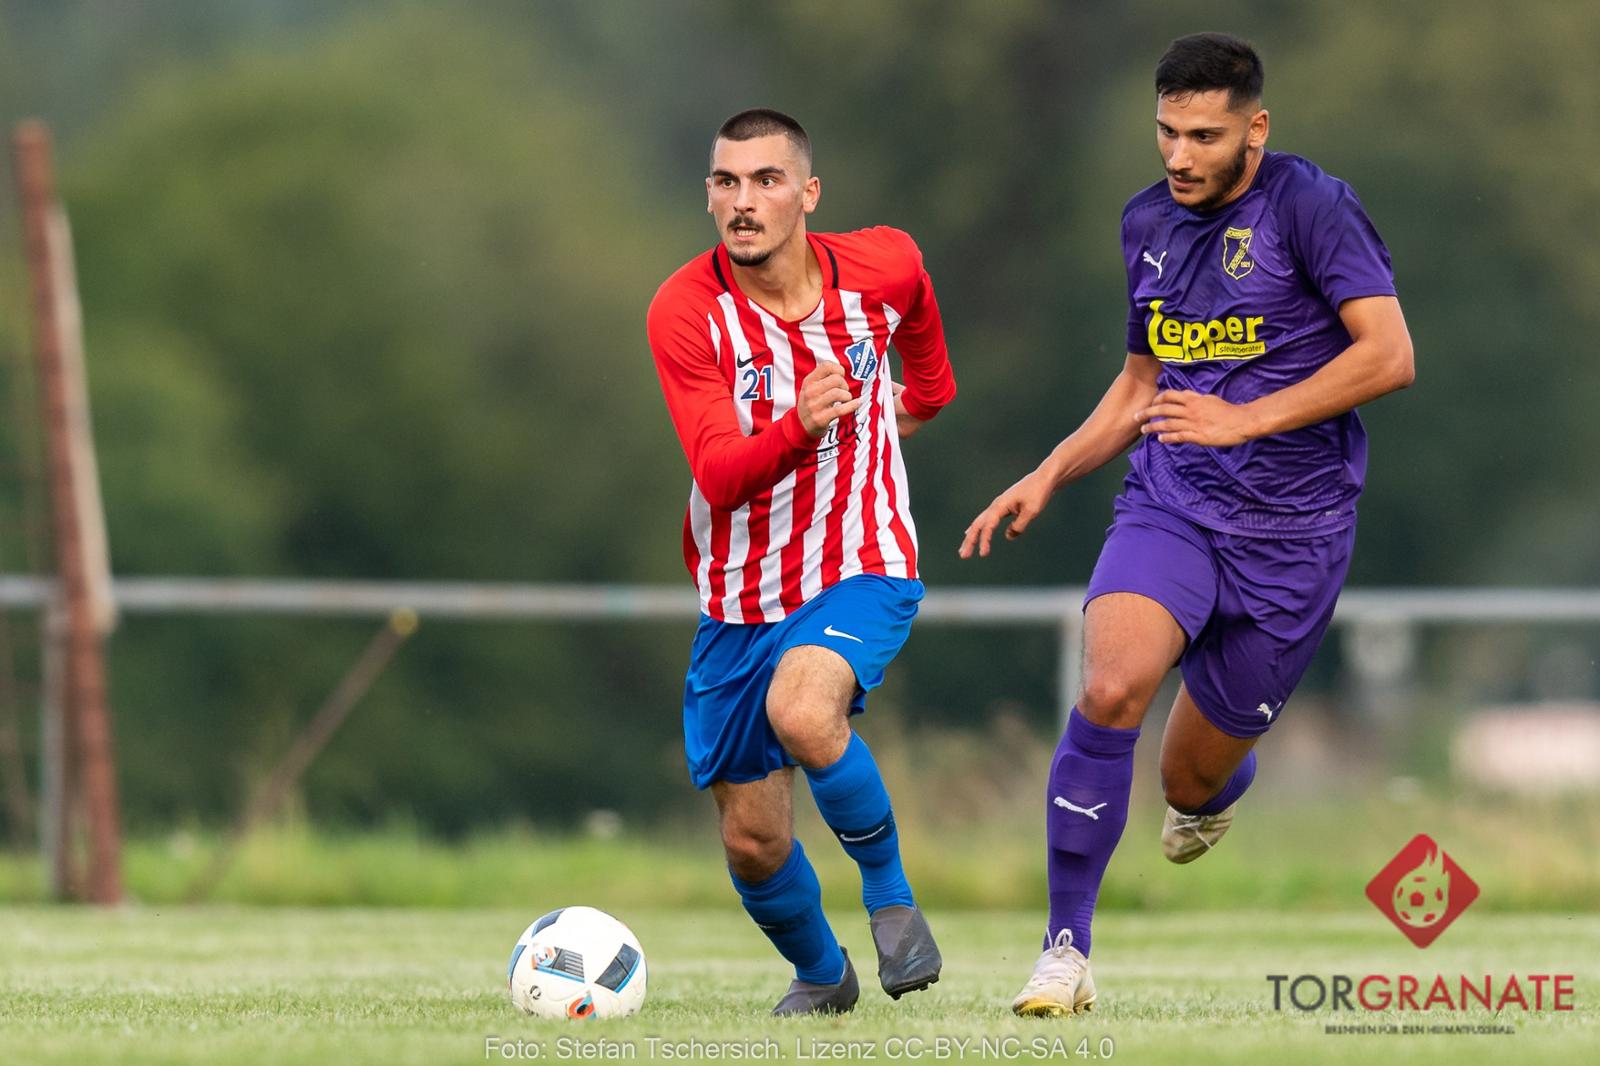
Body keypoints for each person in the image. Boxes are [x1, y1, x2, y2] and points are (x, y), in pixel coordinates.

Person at [959, 33, 1415, 1017]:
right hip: (1173, 502)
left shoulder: (1311, 207)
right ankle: (1064, 952)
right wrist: (1047, 473)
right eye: (1166, 131)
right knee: (1112, 686)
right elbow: (1141, 385)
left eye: (1203, 135)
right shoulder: (1145, 223)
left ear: (1256, 129)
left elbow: (1389, 355)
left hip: (1294, 537)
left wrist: (1247, 417)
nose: (1178, 154)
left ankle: (1210, 794)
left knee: (1188, 776)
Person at [647, 108, 957, 1015]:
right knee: (751, 842)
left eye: (766, 180)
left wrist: (913, 403)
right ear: (709, 196)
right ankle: (824, 976)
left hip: (862, 558)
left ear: (808, 193)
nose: (743, 201)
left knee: (802, 708)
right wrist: (801, 426)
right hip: (739, 595)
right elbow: (718, 473)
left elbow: (929, 365)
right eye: (726, 182)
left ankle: (893, 903)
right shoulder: (686, 310)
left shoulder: (882, 266)